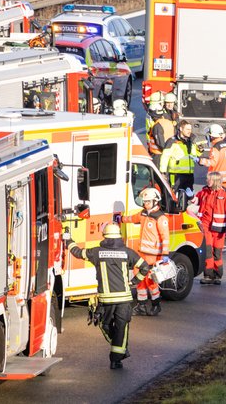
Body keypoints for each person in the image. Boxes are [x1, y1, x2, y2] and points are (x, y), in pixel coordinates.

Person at [67, 222, 150, 369]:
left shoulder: (97, 252)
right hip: (124, 299)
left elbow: (78, 253)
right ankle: (117, 357)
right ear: (119, 236)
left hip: (106, 300)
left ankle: (119, 350)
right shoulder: (127, 252)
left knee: (105, 325)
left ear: (104, 236)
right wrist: (134, 282)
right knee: (121, 328)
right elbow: (145, 267)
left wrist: (68, 240)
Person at [124, 187, 169, 316]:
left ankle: (156, 304)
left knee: (151, 280)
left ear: (155, 201)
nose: (145, 204)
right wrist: (121, 219)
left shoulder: (160, 218)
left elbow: (165, 237)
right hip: (142, 253)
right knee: (139, 278)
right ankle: (141, 305)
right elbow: (132, 218)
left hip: (153, 256)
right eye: (145, 202)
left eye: (148, 202)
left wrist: (165, 255)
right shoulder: (144, 213)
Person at [193, 174, 226, 284]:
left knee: (217, 253)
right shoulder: (204, 191)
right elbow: (196, 199)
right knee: (207, 252)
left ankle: (217, 275)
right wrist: (192, 197)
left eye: (208, 179)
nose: (206, 180)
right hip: (206, 227)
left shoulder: (224, 194)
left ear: (214, 181)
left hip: (219, 229)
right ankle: (208, 276)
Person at [200, 123, 226, 234]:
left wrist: (200, 161)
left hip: (218, 181)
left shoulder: (215, 148)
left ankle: (219, 227)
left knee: (218, 205)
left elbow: (212, 162)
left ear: (212, 136)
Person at [159, 119, 198, 193]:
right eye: (187, 129)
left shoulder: (191, 141)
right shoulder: (172, 141)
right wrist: (163, 172)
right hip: (176, 174)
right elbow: (165, 156)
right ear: (181, 129)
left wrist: (199, 151)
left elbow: (194, 154)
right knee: (174, 195)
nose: (189, 131)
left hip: (189, 174)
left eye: (190, 129)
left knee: (188, 196)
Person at [145, 93, 176, 167]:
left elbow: (160, 141)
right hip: (159, 150)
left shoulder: (156, 120)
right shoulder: (163, 117)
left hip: (158, 151)